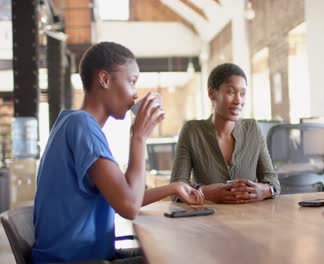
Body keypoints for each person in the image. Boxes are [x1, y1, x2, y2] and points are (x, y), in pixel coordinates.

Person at [32, 42, 204, 263]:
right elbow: (129, 207)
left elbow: (123, 194)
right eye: (132, 82)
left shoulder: (70, 122)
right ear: (104, 79)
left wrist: (174, 187)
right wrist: (139, 138)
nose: (134, 95)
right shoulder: (82, 126)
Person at [170, 63, 280, 203]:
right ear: (212, 94)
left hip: (250, 219)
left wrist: (265, 190)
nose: (238, 100)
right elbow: (175, 189)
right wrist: (205, 193)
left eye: (243, 93)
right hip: (207, 219)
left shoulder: (252, 129)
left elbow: (273, 181)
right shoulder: (192, 131)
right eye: (231, 92)